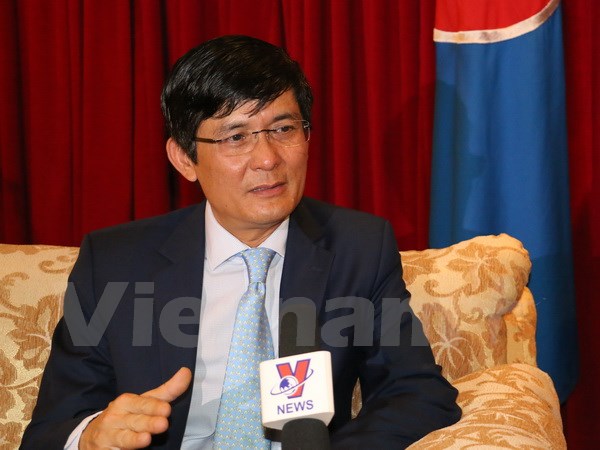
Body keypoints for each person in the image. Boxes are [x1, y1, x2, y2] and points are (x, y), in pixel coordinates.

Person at [21, 35, 460, 449]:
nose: (267, 159)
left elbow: (418, 393)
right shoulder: (114, 263)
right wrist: (92, 436)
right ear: (184, 158)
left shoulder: (358, 248)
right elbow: (51, 429)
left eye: (283, 129)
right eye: (236, 137)